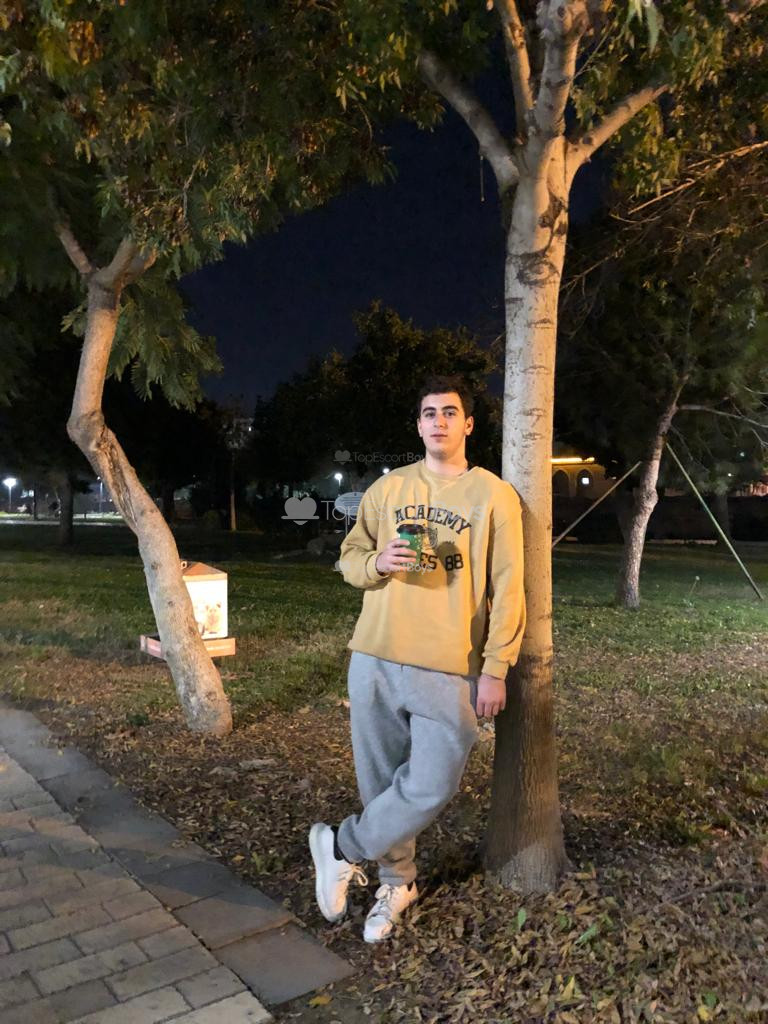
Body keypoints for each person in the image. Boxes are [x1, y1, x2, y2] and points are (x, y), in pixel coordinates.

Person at [309, 374, 526, 943]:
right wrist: (377, 563)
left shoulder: (494, 496)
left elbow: (509, 588)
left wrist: (496, 667)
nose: (439, 422)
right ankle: (396, 883)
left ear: (468, 424)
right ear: (419, 425)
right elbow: (350, 558)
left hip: (450, 664)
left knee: (432, 783)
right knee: (381, 783)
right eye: (429, 413)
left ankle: (341, 846)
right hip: (376, 655)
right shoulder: (390, 489)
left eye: (449, 412)